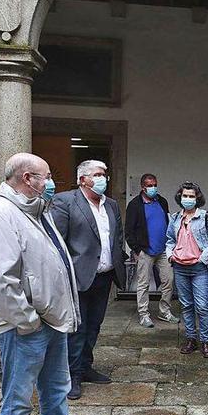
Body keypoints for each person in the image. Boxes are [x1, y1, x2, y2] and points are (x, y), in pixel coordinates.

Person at [0, 153, 100, 415]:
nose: (51, 182)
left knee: (55, 389)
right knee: (17, 400)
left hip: (51, 320)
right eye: (47, 176)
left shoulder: (36, 212)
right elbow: (0, 280)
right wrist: (27, 321)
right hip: (24, 327)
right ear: (29, 178)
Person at [51, 160, 127, 400]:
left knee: (94, 325)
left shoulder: (112, 205)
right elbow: (57, 242)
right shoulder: (65, 201)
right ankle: (71, 375)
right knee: (77, 328)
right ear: (82, 179)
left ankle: (86, 366)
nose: (103, 178)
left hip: (104, 277)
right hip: (78, 277)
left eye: (104, 174)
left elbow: (117, 236)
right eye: (97, 174)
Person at [166, 181, 208, 358]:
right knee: (186, 305)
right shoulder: (175, 218)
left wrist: (202, 258)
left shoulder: (206, 217)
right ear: (180, 197)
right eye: (185, 196)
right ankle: (190, 338)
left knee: (202, 305)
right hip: (180, 267)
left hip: (199, 268)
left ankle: (205, 341)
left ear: (197, 198)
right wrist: (170, 255)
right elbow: (169, 240)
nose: (188, 199)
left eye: (191, 196)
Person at [126, 173, 180, 328]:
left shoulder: (162, 201)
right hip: (145, 251)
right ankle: (144, 315)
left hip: (163, 250)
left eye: (155, 184)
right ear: (143, 187)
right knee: (143, 284)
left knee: (168, 281)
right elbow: (128, 230)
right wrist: (136, 250)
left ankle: (164, 312)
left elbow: (168, 222)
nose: (153, 188)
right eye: (149, 185)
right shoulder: (135, 205)